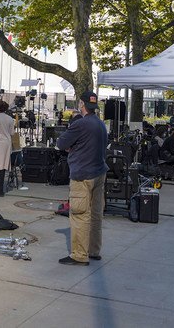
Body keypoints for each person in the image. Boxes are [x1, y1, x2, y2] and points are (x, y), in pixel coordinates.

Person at [56, 91, 108, 266]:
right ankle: (93, 250)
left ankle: (79, 255)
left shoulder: (80, 124)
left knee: (79, 214)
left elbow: (61, 144)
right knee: (95, 215)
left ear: (82, 104)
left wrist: (73, 149)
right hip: (99, 173)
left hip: (82, 175)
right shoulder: (100, 124)